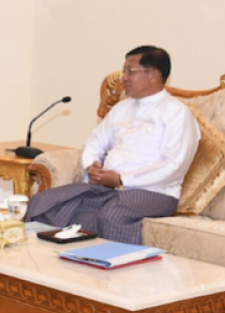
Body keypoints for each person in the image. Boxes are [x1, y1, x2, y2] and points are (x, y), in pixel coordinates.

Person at [23, 46, 200, 245]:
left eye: (130, 72)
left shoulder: (176, 113)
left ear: (152, 75)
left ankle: (114, 264)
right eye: (124, 71)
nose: (123, 78)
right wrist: (92, 166)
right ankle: (47, 261)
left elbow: (174, 166)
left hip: (154, 192)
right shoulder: (122, 108)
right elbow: (95, 143)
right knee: (44, 203)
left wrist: (122, 179)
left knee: (112, 216)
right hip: (108, 188)